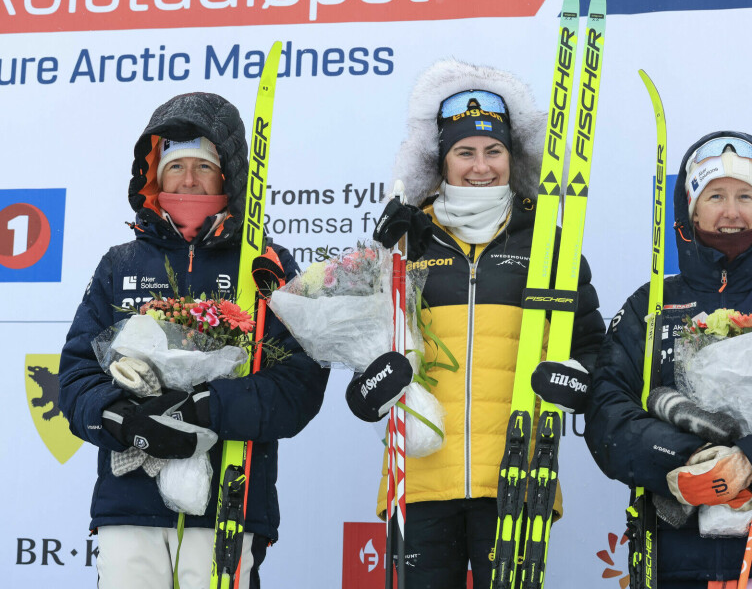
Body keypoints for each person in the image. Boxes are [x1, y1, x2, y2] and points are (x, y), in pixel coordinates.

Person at [345, 59, 606, 588]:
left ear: (514, 158)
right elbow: (363, 363)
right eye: (464, 152)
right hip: (418, 480)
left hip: (515, 478)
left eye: (494, 151)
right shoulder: (405, 242)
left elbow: (593, 351)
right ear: (442, 162)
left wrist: (577, 380)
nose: (480, 166)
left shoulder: (550, 246)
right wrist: (373, 386)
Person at [58, 91, 329, 589]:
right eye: (175, 165)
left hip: (228, 498)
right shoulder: (120, 264)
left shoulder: (266, 264)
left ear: (227, 174)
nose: (187, 178)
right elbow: (75, 375)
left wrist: (208, 408)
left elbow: (299, 384)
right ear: (153, 176)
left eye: (202, 166)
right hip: (129, 505)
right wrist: (121, 417)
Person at [584, 131, 752, 588]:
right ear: (690, 209)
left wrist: (751, 461)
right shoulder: (649, 304)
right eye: (715, 195)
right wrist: (689, 457)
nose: (731, 212)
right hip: (668, 560)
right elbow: (607, 413)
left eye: (745, 196)